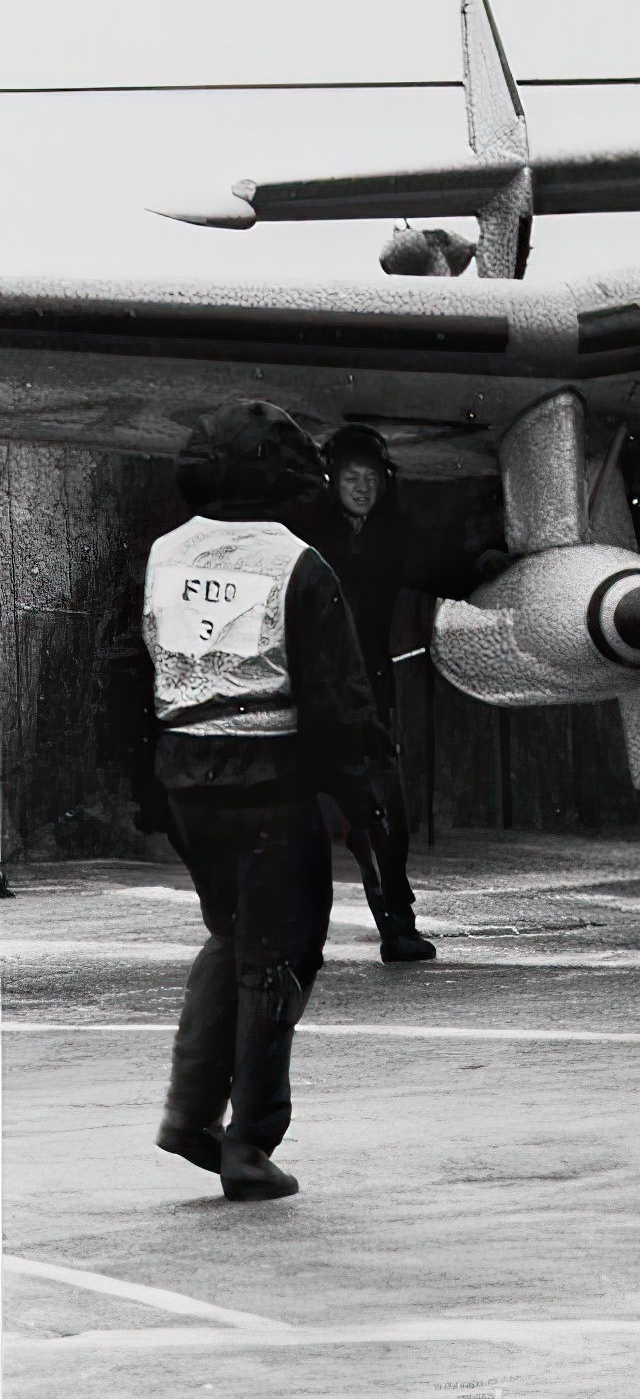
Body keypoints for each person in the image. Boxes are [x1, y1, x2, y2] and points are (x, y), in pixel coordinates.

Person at [142, 400, 385, 1200]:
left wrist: (147, 782)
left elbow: (128, 661)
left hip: (186, 775)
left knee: (231, 934)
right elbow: (339, 702)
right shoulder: (298, 564)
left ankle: (190, 1115)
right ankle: (249, 1141)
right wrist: (361, 800)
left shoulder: (165, 555)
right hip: (270, 785)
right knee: (278, 957)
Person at [299, 424, 436, 961]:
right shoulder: (304, 537)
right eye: (352, 478)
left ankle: (397, 928)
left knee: (382, 816)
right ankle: (296, 935)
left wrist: (487, 563)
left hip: (368, 696)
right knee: (296, 823)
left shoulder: (391, 537)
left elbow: (440, 564)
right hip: (308, 698)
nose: (362, 488)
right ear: (332, 481)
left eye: (371, 479)